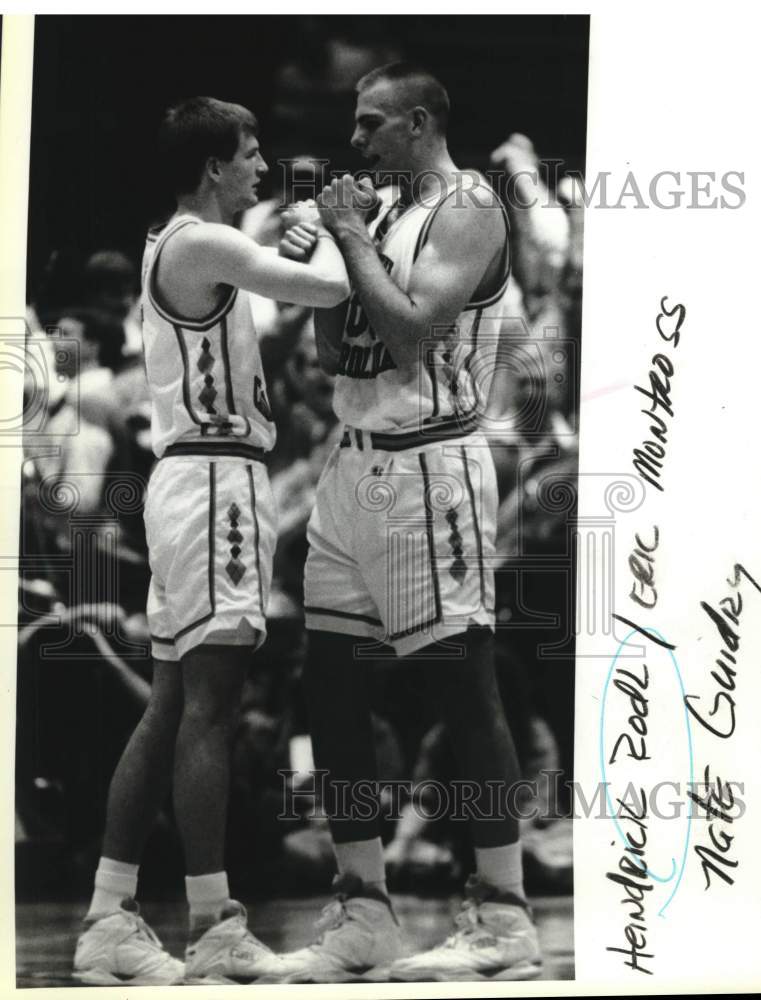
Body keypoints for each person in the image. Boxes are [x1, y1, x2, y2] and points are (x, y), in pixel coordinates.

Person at [271, 63, 542, 983]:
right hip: (352, 468)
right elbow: (336, 345)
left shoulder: (467, 205)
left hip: (433, 463)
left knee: (461, 687)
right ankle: (363, 911)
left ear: (419, 122)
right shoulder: (382, 213)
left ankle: (503, 915)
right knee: (331, 686)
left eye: (372, 124)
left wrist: (346, 233)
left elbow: (411, 334)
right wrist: (326, 248)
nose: (357, 141)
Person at [73, 95, 349, 986]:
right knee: (211, 709)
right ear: (211, 168)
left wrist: (292, 249)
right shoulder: (197, 242)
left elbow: (261, 305)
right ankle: (213, 923)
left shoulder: (186, 247)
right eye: (250, 152)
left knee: (171, 706)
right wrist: (342, 226)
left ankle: (109, 917)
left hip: (194, 483)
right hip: (214, 483)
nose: (262, 167)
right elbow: (330, 291)